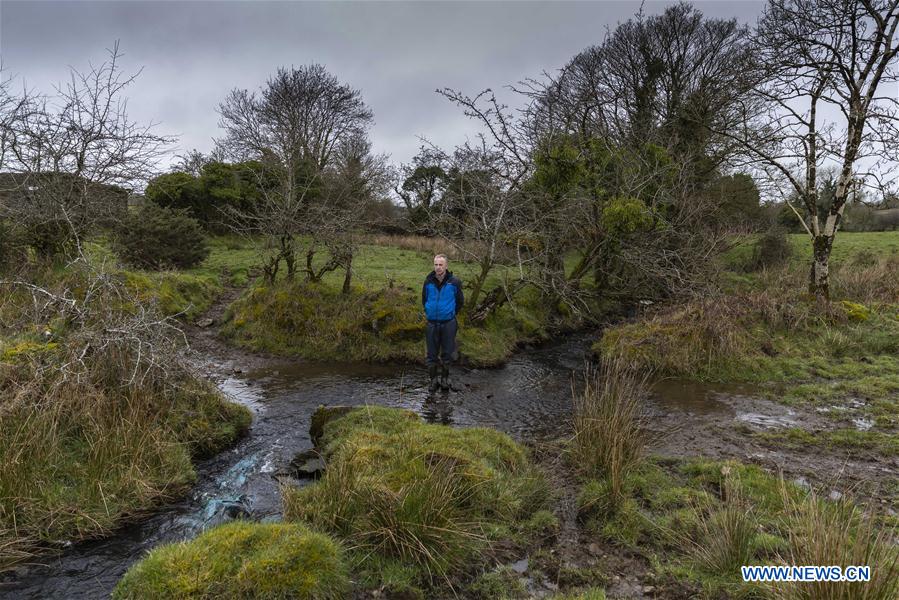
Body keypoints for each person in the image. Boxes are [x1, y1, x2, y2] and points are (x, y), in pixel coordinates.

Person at [422, 254, 463, 392]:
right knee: (431, 354)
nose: (438, 267)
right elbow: (424, 300)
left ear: (446, 266)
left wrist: (450, 313)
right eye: (436, 264)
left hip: (448, 324)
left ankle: (445, 379)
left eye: (441, 265)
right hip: (432, 324)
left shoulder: (455, 282)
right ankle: (433, 381)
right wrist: (430, 311)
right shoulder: (428, 281)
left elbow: (460, 302)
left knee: (447, 353)